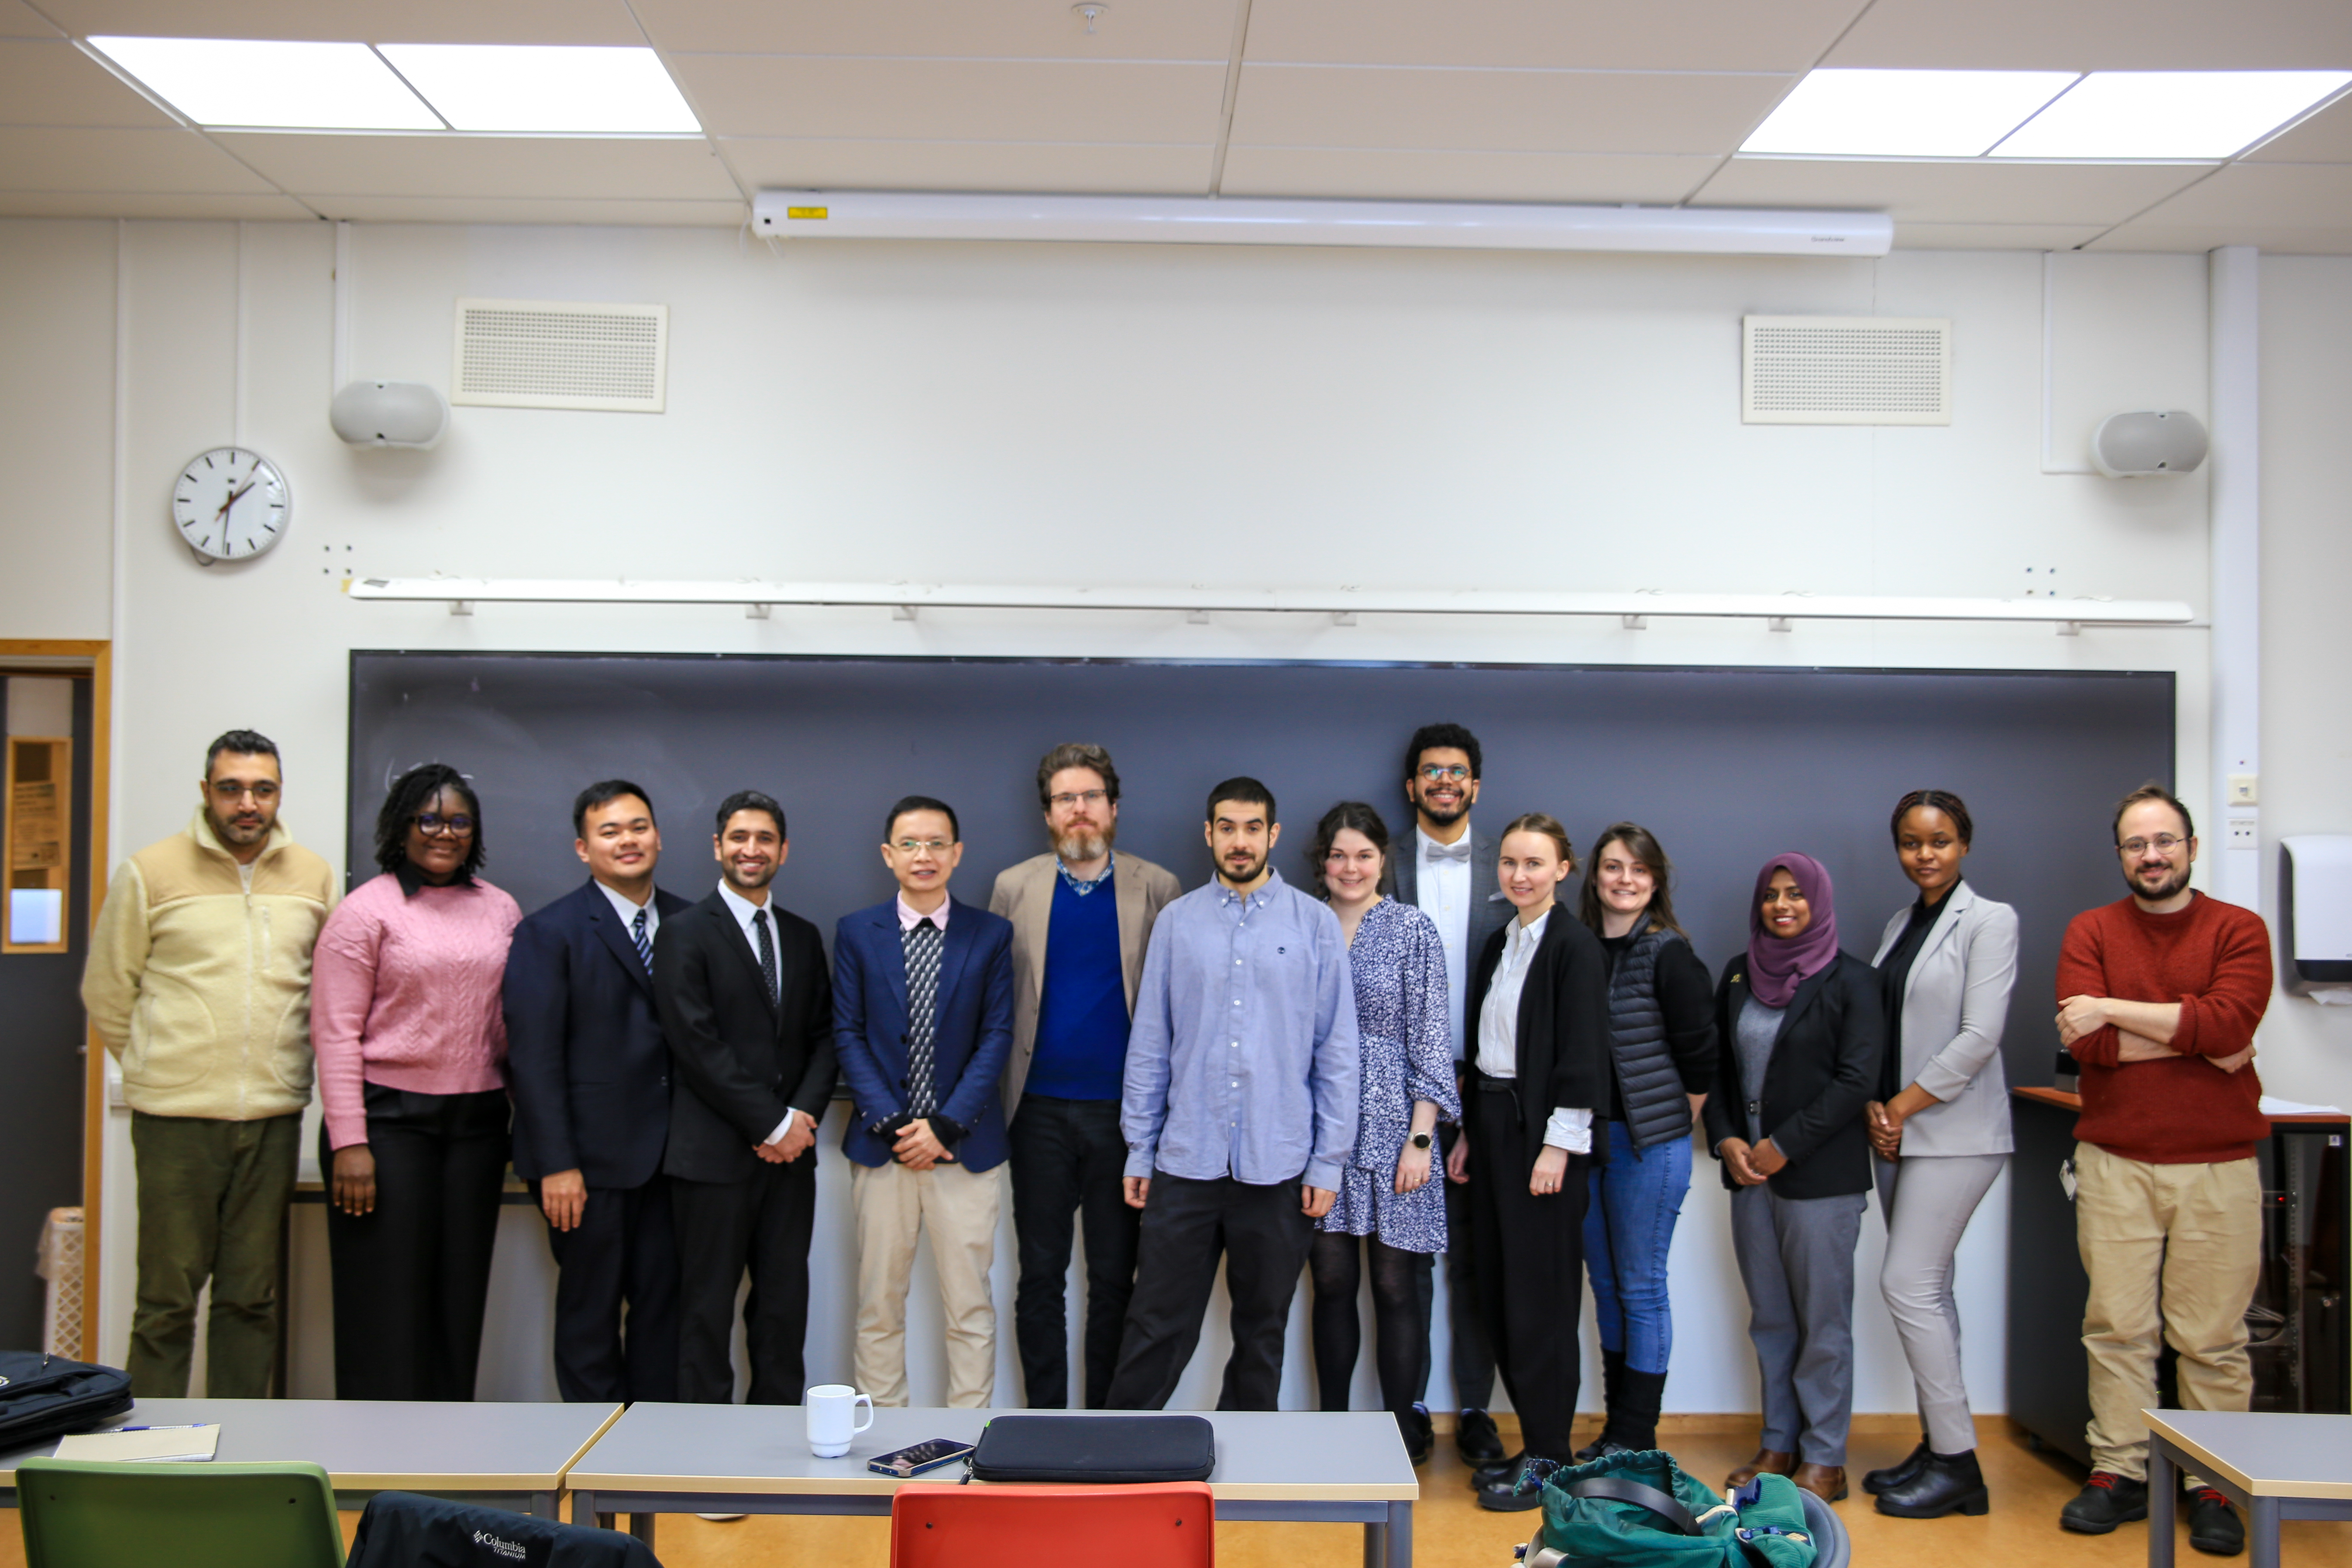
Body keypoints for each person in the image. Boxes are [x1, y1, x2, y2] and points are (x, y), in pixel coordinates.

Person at [81, 729, 337, 1398]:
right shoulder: (150, 871)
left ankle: (239, 1455)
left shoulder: (312, 876)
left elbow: (328, 990)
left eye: (262, 789)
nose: (246, 804)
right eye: (231, 789)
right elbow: (108, 990)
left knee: (251, 1300)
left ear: (279, 794)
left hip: (274, 1118)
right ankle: (152, 1458)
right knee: (166, 1303)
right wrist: (161, 1064)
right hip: (176, 1122)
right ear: (206, 793)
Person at [2053, 783, 2269, 1556]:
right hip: (2114, 1161)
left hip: (2218, 1166)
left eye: (2165, 841)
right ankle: (2121, 1471)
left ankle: (2214, 1483)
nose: (2152, 856)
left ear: (2191, 848)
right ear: (2121, 856)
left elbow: (2234, 1023)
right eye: (2136, 845)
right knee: (2116, 1330)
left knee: (2211, 1339)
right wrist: (2196, 1034)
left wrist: (2115, 1009)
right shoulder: (2093, 930)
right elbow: (2088, 1046)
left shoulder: (2239, 929)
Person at [1106, 777, 1359, 1412]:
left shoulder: (1315, 923)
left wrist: (1329, 1160)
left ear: (1273, 835)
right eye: (1227, 827)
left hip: (1278, 1165)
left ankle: (1246, 1474)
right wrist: (1140, 1148)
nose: (1239, 841)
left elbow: (1336, 1051)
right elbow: (1151, 1043)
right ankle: (1116, 1468)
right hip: (1186, 1159)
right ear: (1209, 833)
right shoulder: (1177, 922)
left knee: (1262, 1331)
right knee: (1155, 1323)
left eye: (1253, 828)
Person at [311, 762, 522, 1400]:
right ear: (402, 826)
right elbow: (334, 1032)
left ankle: (446, 1469)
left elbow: (511, 1024)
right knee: (384, 1304)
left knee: (458, 1302)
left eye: (459, 821)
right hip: (386, 1127)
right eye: (428, 819)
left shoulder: (501, 908)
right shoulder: (363, 912)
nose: (444, 833)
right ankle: (380, 1470)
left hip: (479, 1126)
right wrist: (350, 1142)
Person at [989, 742, 1182, 1409]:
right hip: (1035, 1112)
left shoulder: (1156, 887)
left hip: (1122, 1118)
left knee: (1114, 1280)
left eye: (1091, 797)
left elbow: (1173, 1008)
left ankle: (1104, 1423)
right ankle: (1045, 1420)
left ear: (1113, 808)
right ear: (1048, 813)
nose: (1079, 810)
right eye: (1066, 799)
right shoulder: (1014, 887)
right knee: (1039, 1276)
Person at [1704, 854, 1883, 1505]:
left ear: (1818, 901)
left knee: (1823, 1323)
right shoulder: (1736, 974)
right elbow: (1719, 1069)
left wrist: (1784, 1145)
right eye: (1771, 896)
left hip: (1820, 1179)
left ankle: (1826, 1457)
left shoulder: (1853, 980)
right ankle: (1779, 1441)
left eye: (1795, 895)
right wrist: (1727, 1139)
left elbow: (1857, 1080)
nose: (1782, 906)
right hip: (1749, 1175)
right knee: (1772, 1319)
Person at [503, 780, 689, 1404]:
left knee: (666, 1314)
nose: (627, 841)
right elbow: (532, 1059)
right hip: (587, 1166)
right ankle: (592, 1463)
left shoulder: (694, 923)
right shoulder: (548, 932)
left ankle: (649, 1461)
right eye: (610, 832)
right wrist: (558, 1163)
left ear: (658, 835)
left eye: (638, 827)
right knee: (590, 1317)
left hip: (675, 1161)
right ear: (583, 849)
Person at [656, 790, 839, 1406]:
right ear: (718, 847)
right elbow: (696, 1044)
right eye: (739, 838)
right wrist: (770, 1124)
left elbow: (824, 1037)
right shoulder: (683, 933)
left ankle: (777, 1450)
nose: (751, 849)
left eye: (764, 839)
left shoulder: (803, 935)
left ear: (783, 851)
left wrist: (800, 1122)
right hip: (712, 1159)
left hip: (792, 1162)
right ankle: (708, 1460)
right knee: (705, 1311)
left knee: (784, 1308)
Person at [1862, 790, 2016, 1519]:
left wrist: (1901, 1106)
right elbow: (1888, 1025)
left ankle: (1959, 1467)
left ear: (1965, 845)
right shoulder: (1903, 923)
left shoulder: (1990, 921)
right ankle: (1940, 1443)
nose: (1925, 855)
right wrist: (1879, 1107)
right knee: (1933, 1291)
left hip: (1957, 1134)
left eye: (1941, 841)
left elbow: (1978, 1037)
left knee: (1908, 1284)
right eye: (1911, 842)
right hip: (1898, 1134)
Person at [836, 796, 1017, 1408]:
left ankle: (971, 1444)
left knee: (970, 1305)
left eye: (937, 843)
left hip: (964, 1151)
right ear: (888, 856)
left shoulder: (990, 934)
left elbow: (997, 1037)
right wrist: (893, 1124)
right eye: (910, 844)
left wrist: (942, 1126)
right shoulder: (857, 932)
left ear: (957, 854)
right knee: (878, 1305)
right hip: (882, 1151)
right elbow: (848, 1034)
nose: (924, 856)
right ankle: (883, 1443)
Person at [1460, 813, 1609, 1511]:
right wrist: (1465, 1134)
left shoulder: (1574, 947)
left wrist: (1558, 1145)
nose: (1520, 875)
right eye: (1511, 863)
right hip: (1491, 1124)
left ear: (1563, 869)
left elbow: (1583, 1054)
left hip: (1544, 1137)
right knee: (1500, 1294)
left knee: (1542, 1303)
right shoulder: (1499, 943)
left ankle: (1552, 1461)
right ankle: (1537, 1442)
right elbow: (1484, 1046)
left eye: (1535, 864)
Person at [1305, 802, 1458, 1463]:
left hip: (1399, 1129)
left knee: (1398, 1284)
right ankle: (1332, 1425)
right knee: (1332, 1282)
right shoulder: (1302, 926)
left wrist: (1422, 1138)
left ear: (1382, 862)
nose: (1350, 867)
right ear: (1323, 862)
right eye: (1339, 855)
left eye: (1363, 855)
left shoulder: (1412, 930)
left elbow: (1430, 1035)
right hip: (1320, 1130)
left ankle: (1402, 1427)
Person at [1388, 722, 1513, 1466]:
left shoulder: (1511, 865)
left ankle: (1475, 1409)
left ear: (1475, 786)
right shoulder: (1378, 861)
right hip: (1401, 1092)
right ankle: (1409, 1410)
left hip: (1490, 1083)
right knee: (1408, 1261)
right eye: (1431, 770)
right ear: (1413, 787)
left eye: (1457, 771)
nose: (1444, 781)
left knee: (1476, 1256)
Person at [1571, 823, 1716, 1460]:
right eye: (1612, 867)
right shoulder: (1574, 947)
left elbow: (1702, 1060)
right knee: (1604, 1286)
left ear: (1655, 881)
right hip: (1586, 1144)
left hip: (1646, 1147)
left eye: (1637, 869)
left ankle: (1637, 1436)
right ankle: (1617, 1429)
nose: (1623, 880)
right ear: (1594, 876)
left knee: (1640, 1286)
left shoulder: (1668, 954)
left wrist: (1664, 1127)